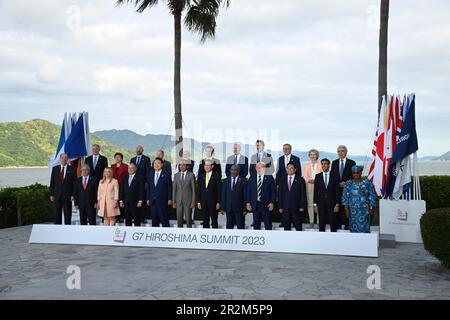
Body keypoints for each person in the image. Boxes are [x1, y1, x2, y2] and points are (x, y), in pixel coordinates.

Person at [341, 165, 377, 233]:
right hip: (353, 211)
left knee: (365, 228)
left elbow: (372, 196)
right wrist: (346, 210)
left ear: (361, 172)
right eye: (354, 173)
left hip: (365, 210)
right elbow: (345, 197)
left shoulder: (367, 183)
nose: (355, 174)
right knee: (353, 228)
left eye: (357, 172)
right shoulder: (348, 183)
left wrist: (372, 208)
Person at [330, 145, 356, 230]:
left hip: (348, 189)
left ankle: (347, 224)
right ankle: (337, 224)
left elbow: (354, 176)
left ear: (346, 152)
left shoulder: (352, 163)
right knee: (337, 206)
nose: (340, 153)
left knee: (347, 207)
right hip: (336, 189)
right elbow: (333, 176)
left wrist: (346, 183)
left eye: (342, 151)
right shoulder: (334, 163)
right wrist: (338, 183)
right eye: (339, 151)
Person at [246, 162, 276, 230]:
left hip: (266, 205)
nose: (258, 169)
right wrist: (248, 202)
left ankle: (269, 239)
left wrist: (272, 202)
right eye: (257, 168)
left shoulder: (269, 177)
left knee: (268, 225)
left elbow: (273, 192)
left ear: (264, 168)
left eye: (260, 167)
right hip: (255, 205)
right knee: (256, 225)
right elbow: (248, 191)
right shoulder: (252, 177)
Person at [313, 159, 340, 232]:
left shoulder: (334, 175)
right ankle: (321, 240)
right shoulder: (317, 176)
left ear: (329, 165)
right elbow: (315, 192)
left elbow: (337, 191)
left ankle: (334, 240)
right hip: (321, 204)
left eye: (325, 164)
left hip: (332, 204)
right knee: (321, 224)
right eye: (322, 164)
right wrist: (315, 205)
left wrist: (337, 204)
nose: (324, 165)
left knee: (333, 223)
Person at [278, 163, 307, 231]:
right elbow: (280, 194)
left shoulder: (300, 179)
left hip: (296, 208)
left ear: (295, 169)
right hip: (285, 207)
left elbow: (303, 194)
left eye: (291, 168)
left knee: (298, 227)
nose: (289, 169)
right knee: (286, 227)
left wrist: (302, 206)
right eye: (288, 168)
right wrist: (280, 206)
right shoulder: (282, 180)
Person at [49, 153, 76, 225]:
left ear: (67, 159)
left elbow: (74, 183)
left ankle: (67, 230)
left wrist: (73, 195)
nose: (64, 159)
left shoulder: (72, 169)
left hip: (68, 196)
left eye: (65, 158)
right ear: (60, 159)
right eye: (62, 158)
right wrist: (51, 194)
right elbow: (52, 182)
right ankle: (57, 230)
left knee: (67, 215)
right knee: (57, 215)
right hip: (57, 195)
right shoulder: (55, 169)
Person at [147, 157, 172, 227]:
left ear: (162, 164)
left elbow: (169, 187)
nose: (156, 165)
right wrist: (148, 198)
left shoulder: (167, 174)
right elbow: (149, 187)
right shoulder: (150, 174)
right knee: (154, 221)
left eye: (158, 163)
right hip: (153, 202)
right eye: (155, 163)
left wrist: (170, 198)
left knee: (164, 220)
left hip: (163, 202)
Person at [221, 165, 248, 229]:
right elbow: (223, 195)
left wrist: (245, 208)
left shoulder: (243, 181)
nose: (233, 171)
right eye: (232, 170)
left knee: (240, 226)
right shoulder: (226, 181)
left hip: (240, 209)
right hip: (229, 208)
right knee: (229, 226)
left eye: (235, 170)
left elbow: (245, 195)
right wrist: (222, 207)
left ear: (238, 171)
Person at [197, 160, 221, 229]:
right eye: (205, 165)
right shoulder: (201, 176)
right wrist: (198, 201)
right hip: (203, 202)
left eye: (208, 165)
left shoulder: (216, 176)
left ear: (212, 166)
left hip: (213, 203)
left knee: (214, 221)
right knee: (205, 221)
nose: (206, 167)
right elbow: (199, 189)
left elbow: (219, 190)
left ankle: (215, 237)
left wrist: (218, 202)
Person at [130, 145, 151, 224]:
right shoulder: (132, 159)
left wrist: (146, 182)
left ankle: (143, 217)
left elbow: (148, 171)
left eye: (140, 149)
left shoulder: (146, 159)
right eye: (137, 149)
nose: (138, 150)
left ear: (142, 150)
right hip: (134, 182)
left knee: (142, 199)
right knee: (135, 199)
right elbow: (131, 170)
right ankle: (135, 217)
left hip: (143, 182)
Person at [173, 160, 196, 228]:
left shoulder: (191, 175)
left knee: (188, 219)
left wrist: (193, 202)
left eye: (183, 165)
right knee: (179, 219)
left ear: (187, 166)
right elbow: (174, 189)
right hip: (178, 201)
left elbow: (194, 190)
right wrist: (174, 201)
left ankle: (189, 234)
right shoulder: (176, 175)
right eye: (180, 165)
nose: (181, 166)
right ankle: (180, 234)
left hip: (188, 201)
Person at [303, 149, 323, 228]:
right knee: (310, 205)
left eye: (314, 154)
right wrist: (308, 180)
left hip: (319, 187)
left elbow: (323, 174)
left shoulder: (321, 165)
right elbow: (304, 176)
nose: (313, 156)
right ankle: (311, 221)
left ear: (317, 155)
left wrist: (316, 180)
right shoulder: (307, 166)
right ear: (309, 156)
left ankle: (318, 221)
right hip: (309, 187)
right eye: (311, 154)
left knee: (319, 205)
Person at [111, 152, 128, 223]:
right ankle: (116, 216)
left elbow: (127, 175)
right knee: (115, 200)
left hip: (122, 185)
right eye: (116, 157)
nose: (117, 158)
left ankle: (122, 216)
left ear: (121, 158)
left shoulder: (125, 166)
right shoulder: (112, 166)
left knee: (121, 200)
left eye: (119, 157)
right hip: (114, 186)